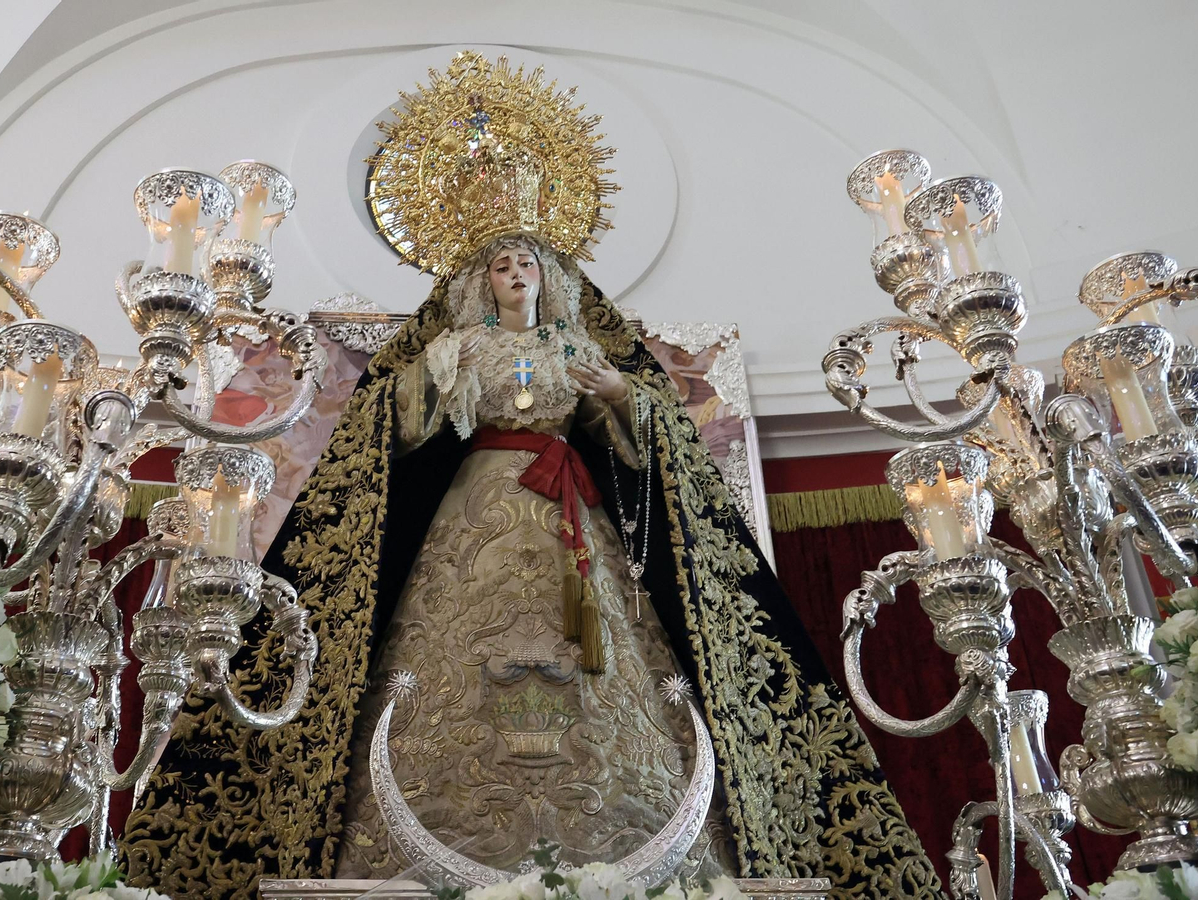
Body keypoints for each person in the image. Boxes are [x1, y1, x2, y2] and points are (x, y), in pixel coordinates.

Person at [124, 51, 939, 900]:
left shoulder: (579, 348)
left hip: (573, 518)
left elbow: (641, 449)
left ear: (553, 280)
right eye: (503, 267)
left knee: (604, 652)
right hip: (477, 506)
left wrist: (622, 396)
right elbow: (397, 435)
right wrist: (437, 377)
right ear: (480, 283)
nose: (518, 276)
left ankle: (629, 821)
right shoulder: (456, 344)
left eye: (529, 266)